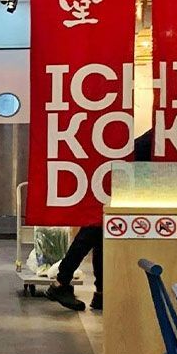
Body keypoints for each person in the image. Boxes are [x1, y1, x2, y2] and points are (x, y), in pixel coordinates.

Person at [46, 129, 154, 312]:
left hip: (116, 177)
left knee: (100, 233)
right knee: (93, 230)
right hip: (123, 181)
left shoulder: (160, 132)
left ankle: (99, 292)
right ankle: (61, 282)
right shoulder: (166, 134)